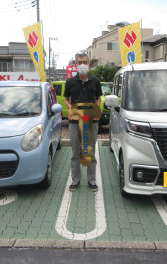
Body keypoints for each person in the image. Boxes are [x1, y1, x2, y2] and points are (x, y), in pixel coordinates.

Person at [64, 51, 102, 192]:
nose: (82, 65)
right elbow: (66, 99)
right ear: (75, 64)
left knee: (90, 152)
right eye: (79, 62)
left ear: (89, 64)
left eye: (84, 62)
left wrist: (97, 109)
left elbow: (98, 98)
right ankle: (75, 180)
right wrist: (70, 108)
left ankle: (91, 180)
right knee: (75, 152)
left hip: (91, 121)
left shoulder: (96, 81)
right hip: (75, 122)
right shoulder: (70, 82)